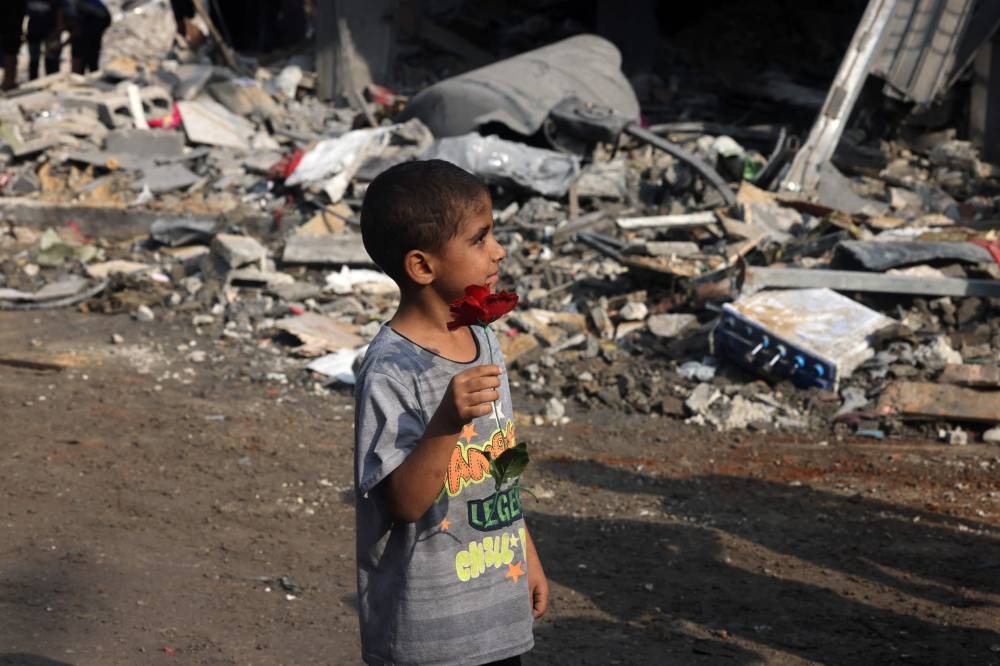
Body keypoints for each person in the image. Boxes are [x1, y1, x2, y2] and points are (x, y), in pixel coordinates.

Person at [354, 159, 547, 666]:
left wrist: (525, 555)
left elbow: (496, 466)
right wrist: (445, 422)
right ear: (422, 266)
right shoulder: (391, 369)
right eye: (480, 239)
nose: (498, 251)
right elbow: (403, 504)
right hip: (431, 634)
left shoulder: (483, 337)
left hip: (496, 605)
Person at [66, 0, 110, 75]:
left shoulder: (72, 4)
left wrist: (63, 44)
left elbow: (76, 29)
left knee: (85, 54)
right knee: (88, 55)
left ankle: (80, 75)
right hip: (94, 23)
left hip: (95, 24)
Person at [26, 0, 65, 80]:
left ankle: (52, 81)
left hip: (51, 31)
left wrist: (58, 30)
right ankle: (33, 82)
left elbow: (59, 11)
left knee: (51, 60)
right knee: (34, 59)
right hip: (33, 31)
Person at [0, 0, 27, 91]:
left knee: (11, 57)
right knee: (10, 57)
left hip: (11, 30)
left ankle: (9, 81)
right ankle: (8, 81)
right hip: (10, 30)